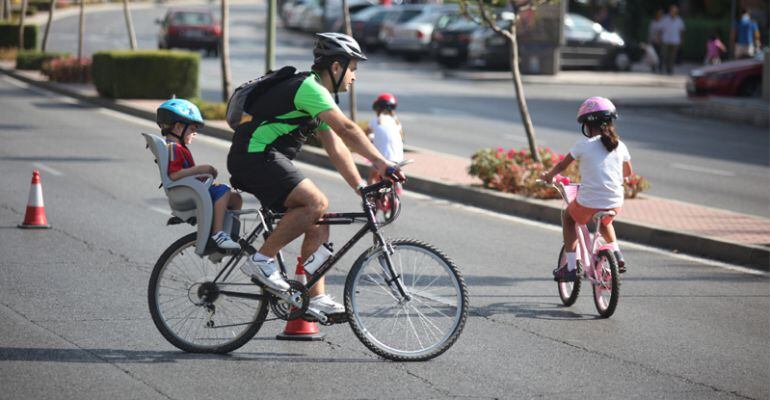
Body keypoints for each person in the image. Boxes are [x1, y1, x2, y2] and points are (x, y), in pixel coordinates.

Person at [227, 32, 405, 315]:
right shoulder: (309, 88)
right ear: (336, 67)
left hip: (262, 157)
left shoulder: (313, 94)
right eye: (353, 69)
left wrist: (360, 186)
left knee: (320, 218)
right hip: (253, 156)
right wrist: (384, 164)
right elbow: (347, 130)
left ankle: (314, 296)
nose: (354, 77)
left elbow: (336, 147)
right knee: (315, 202)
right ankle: (261, 260)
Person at [540, 97, 633, 281]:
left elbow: (561, 167)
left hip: (590, 201)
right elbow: (628, 172)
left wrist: (549, 177)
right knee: (606, 221)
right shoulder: (620, 145)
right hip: (615, 200)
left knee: (568, 218)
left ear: (587, 126)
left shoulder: (583, 145)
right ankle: (617, 253)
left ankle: (572, 267)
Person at [156, 98, 243, 251]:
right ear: (178, 127)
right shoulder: (173, 148)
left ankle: (228, 238)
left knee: (236, 199)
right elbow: (174, 174)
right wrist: (201, 169)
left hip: (190, 189)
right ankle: (218, 234)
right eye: (192, 129)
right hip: (187, 192)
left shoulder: (175, 147)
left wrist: (202, 175)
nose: (195, 133)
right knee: (224, 190)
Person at [366, 93, 404, 185]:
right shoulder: (396, 122)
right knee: (394, 173)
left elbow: (366, 136)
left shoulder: (375, 120)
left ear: (377, 108)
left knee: (372, 175)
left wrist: (371, 139)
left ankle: (369, 197)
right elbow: (401, 137)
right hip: (399, 159)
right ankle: (397, 189)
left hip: (383, 159)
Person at [659, 4, 685, 75]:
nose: (673, 12)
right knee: (664, 55)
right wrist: (659, 38)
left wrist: (682, 40)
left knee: (672, 57)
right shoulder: (665, 19)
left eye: (674, 11)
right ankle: (663, 68)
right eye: (672, 11)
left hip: (675, 41)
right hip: (666, 40)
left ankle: (670, 70)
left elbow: (681, 31)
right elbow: (661, 30)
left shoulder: (679, 20)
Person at [647, 8, 665, 73]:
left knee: (660, 55)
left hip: (661, 42)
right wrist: (649, 41)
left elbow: (664, 32)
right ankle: (653, 68)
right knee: (653, 55)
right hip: (653, 41)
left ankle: (660, 69)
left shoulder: (663, 22)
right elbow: (650, 32)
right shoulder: (653, 22)